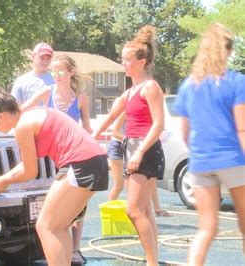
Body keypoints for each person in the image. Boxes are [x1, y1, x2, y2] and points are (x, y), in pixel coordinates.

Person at [0, 81, 108, 265]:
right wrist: (3, 179)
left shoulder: (22, 127)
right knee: (59, 227)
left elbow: (30, 171)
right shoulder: (34, 114)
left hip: (79, 163)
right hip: (96, 160)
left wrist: (5, 181)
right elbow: (26, 166)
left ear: (1, 116)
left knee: (45, 226)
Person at [173, 23, 245, 265]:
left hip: (201, 162)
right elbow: (242, 127)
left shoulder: (188, 85)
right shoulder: (236, 82)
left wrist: (200, 153)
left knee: (206, 230)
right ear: (228, 50)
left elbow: (185, 131)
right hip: (232, 159)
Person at [93, 25, 165, 266]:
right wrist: (89, 138)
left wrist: (139, 152)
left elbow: (158, 125)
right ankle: (153, 260)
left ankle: (151, 262)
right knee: (144, 211)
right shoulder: (130, 92)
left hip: (145, 149)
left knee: (133, 210)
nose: (123, 63)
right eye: (122, 59)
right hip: (132, 149)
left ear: (142, 61)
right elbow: (109, 118)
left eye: (127, 59)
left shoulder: (150, 87)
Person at [20, 54, 91, 264]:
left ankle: (75, 249)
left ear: (70, 73)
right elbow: (26, 108)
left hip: (73, 157)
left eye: (60, 72)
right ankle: (57, 254)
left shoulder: (81, 97)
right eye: (54, 72)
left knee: (76, 207)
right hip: (51, 158)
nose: (57, 76)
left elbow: (87, 127)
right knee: (56, 209)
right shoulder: (47, 92)